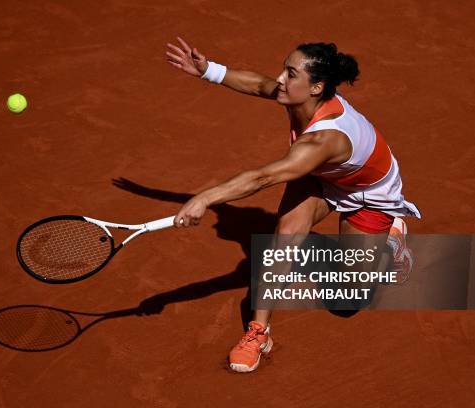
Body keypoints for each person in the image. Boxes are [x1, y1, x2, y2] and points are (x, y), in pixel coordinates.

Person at [165, 37, 421, 372]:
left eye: (290, 74)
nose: (280, 80)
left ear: (316, 87)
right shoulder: (299, 98)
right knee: (284, 236)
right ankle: (259, 332)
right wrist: (207, 70)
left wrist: (205, 197)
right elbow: (258, 84)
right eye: (285, 70)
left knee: (350, 297)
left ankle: (390, 240)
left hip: (368, 194)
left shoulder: (325, 139)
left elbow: (263, 178)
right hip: (321, 176)